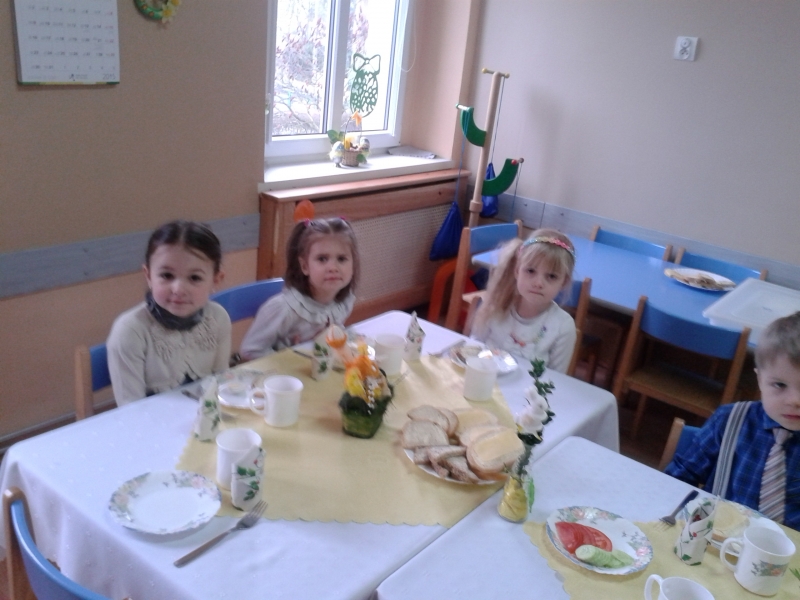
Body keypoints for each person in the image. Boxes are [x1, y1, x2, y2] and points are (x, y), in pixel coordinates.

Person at [666, 311, 800, 529]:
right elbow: (681, 476)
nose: (795, 401)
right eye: (779, 385)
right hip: (714, 536)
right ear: (760, 379)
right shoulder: (729, 420)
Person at [107, 221, 232, 405]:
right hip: (149, 420)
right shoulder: (130, 331)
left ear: (216, 280)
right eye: (167, 275)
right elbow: (131, 410)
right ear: (148, 275)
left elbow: (220, 382)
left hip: (204, 416)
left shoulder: (218, 318)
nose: (178, 289)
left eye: (195, 278)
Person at [240, 217, 359, 360]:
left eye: (341, 259)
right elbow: (249, 350)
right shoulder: (284, 309)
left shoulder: (343, 302)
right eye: (322, 259)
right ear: (304, 266)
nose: (333, 268)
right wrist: (291, 358)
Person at [471, 228, 577, 372]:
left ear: (563, 282)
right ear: (517, 271)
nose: (538, 283)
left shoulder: (563, 327)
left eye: (551, 276)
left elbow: (556, 379)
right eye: (530, 271)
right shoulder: (498, 304)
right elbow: (473, 348)